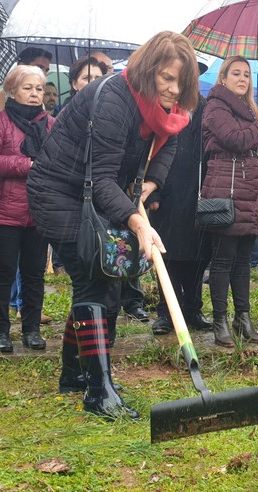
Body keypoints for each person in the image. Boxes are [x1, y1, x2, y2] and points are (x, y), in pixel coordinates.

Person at [27, 31, 199, 418]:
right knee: (96, 280)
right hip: (58, 192)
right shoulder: (114, 99)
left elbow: (166, 149)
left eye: (180, 82)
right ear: (148, 70)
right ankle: (98, 391)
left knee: (102, 281)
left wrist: (147, 186)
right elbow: (102, 177)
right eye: (166, 78)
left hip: (94, 194)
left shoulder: (166, 114)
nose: (173, 89)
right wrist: (138, 223)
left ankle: (77, 375)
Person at [202, 55, 258, 346]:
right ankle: (220, 320)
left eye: (246, 75)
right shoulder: (215, 107)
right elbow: (237, 140)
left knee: (243, 262)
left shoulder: (251, 109)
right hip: (226, 191)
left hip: (249, 191)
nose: (242, 79)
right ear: (223, 79)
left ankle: (243, 317)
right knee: (223, 260)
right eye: (235, 73)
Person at [149, 62, 212, 336]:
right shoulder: (162, 108)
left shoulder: (208, 107)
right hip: (168, 191)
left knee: (198, 255)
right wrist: (155, 191)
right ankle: (166, 312)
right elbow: (151, 150)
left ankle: (193, 308)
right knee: (169, 254)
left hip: (199, 189)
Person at [0, 65, 54, 353]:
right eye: (27, 88)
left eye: (38, 89)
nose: (34, 94)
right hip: (6, 213)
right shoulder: (2, 121)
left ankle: (31, 330)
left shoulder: (50, 124)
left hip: (39, 211)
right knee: (4, 273)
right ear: (12, 90)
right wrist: (27, 165)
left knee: (34, 274)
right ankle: (2, 332)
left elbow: (59, 158)